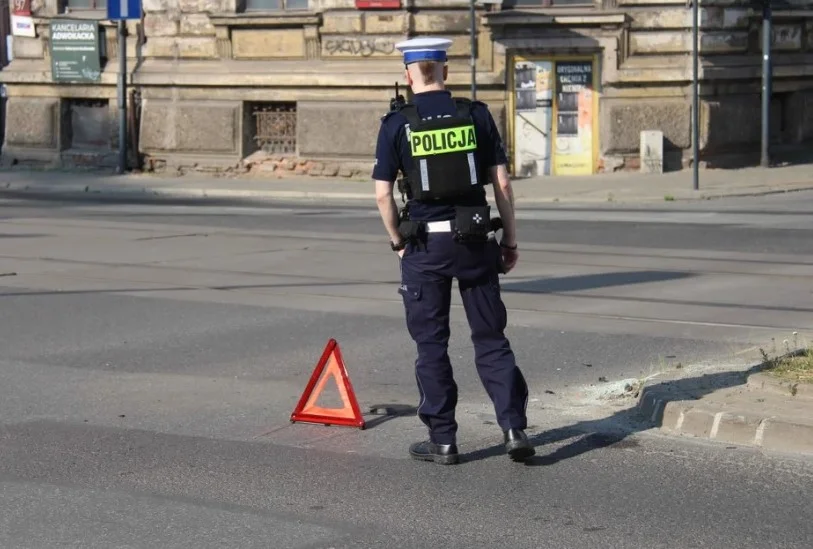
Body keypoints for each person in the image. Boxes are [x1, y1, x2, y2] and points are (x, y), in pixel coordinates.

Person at [372, 37, 534, 465]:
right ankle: (514, 427)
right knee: (491, 338)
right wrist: (511, 241)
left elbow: (383, 196)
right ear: (445, 70)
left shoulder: (396, 124)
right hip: (476, 240)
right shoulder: (476, 115)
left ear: (409, 75)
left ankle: (443, 440)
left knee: (432, 346)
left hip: (425, 246)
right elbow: (501, 186)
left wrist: (398, 242)